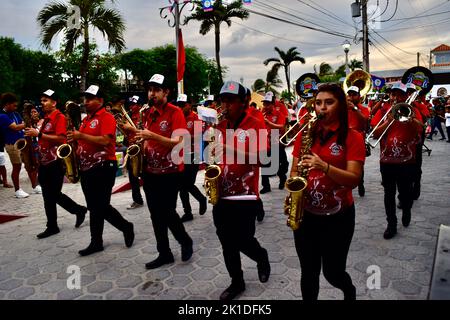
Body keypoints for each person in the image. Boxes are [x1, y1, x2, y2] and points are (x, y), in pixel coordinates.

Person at [290, 83, 365, 300]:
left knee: (333, 272)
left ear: (341, 106)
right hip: (306, 215)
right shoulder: (305, 134)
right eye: (318, 103)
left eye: (329, 102)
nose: (322, 108)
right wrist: (295, 183)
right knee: (308, 272)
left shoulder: (353, 137)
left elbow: (354, 179)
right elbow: (294, 169)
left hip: (338, 218)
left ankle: (348, 291)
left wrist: (324, 166)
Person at [212, 81, 271, 301]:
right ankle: (237, 282)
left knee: (243, 239)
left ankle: (261, 256)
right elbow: (211, 154)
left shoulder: (256, 123)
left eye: (230, 100)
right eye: (223, 100)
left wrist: (229, 147)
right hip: (222, 193)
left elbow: (264, 159)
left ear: (243, 102)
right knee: (226, 241)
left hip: (245, 194)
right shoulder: (220, 125)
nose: (225, 105)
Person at [129, 74, 193, 269]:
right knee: (155, 215)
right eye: (150, 89)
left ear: (166, 92)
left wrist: (152, 135)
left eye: (156, 90)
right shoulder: (147, 113)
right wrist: (139, 138)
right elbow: (147, 139)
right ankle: (164, 253)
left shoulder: (175, 112)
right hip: (150, 171)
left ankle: (185, 241)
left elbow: (180, 143)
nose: (152, 93)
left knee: (167, 212)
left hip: (170, 172)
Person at [67, 85, 134, 256]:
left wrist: (81, 136)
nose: (86, 102)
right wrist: (74, 144)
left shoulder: (107, 117)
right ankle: (96, 241)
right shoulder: (85, 119)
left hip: (104, 167)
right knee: (94, 206)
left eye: (90, 99)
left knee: (101, 206)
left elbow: (105, 141)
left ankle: (125, 227)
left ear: (101, 101)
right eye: (85, 99)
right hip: (87, 168)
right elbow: (82, 142)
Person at [24, 90, 88, 238]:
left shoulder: (59, 117)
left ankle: (74, 212)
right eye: (41, 100)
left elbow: (61, 139)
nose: (42, 103)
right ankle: (56, 223)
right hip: (44, 162)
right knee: (49, 195)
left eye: (45, 100)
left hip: (55, 162)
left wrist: (38, 134)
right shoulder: (45, 118)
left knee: (52, 194)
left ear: (54, 103)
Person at [370, 82, 423, 239]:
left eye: (399, 94)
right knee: (388, 194)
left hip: (407, 161)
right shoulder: (383, 111)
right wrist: (389, 120)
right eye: (393, 94)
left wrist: (409, 118)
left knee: (405, 193)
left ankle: (406, 210)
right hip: (386, 162)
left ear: (406, 95)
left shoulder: (412, 110)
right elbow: (374, 134)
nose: (395, 97)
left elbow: (420, 129)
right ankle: (391, 224)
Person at [0, 93, 40, 198]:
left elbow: (22, 124)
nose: (15, 107)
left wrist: (30, 123)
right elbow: (16, 127)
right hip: (12, 145)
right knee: (16, 167)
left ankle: (34, 186)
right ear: (7, 104)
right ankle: (17, 190)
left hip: (22, 142)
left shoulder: (15, 113)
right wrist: (30, 121)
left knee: (29, 165)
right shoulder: (2, 116)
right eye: (14, 105)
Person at [176, 93, 207, 223]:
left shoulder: (196, 118)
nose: (181, 108)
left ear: (189, 105)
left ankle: (201, 199)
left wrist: (184, 138)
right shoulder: (178, 117)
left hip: (193, 154)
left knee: (187, 184)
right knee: (181, 186)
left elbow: (199, 136)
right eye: (179, 105)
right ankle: (187, 212)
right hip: (181, 154)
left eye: (183, 105)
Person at [260, 91, 287, 194]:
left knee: (280, 164)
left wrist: (269, 123)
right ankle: (266, 186)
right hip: (266, 140)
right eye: (264, 104)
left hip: (276, 140)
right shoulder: (262, 113)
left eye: (267, 104)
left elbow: (282, 126)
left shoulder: (278, 114)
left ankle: (282, 178)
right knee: (264, 164)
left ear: (272, 104)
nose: (265, 106)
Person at [346, 86, 370, 197]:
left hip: (358, 139)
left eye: (354, 95)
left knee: (358, 164)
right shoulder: (342, 108)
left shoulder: (364, 109)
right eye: (349, 94)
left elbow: (365, 122)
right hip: (344, 138)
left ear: (359, 96)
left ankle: (360, 183)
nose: (351, 97)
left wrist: (354, 109)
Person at [124, 96, 145, 209]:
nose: (131, 107)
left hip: (141, 150)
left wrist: (131, 129)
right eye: (130, 104)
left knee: (145, 176)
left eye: (134, 104)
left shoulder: (143, 116)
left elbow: (144, 132)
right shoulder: (129, 116)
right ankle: (137, 200)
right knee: (132, 177)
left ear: (140, 106)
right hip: (132, 149)